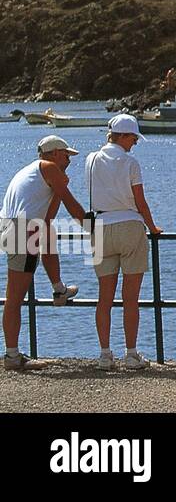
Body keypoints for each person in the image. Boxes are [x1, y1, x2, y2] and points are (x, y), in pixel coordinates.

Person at [2, 136, 87, 370]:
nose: (69, 159)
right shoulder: (49, 168)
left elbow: (48, 218)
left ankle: (59, 289)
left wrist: (60, 189)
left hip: (15, 227)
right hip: (23, 229)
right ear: (53, 153)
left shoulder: (33, 171)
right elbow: (72, 206)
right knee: (15, 298)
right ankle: (11, 357)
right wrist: (94, 228)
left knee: (48, 234)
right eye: (66, 154)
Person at [86, 115, 162, 371]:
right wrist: (152, 227)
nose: (135, 143)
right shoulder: (131, 163)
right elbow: (140, 201)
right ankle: (131, 354)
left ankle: (105, 355)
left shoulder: (91, 159)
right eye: (132, 138)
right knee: (131, 298)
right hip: (129, 226)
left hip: (100, 227)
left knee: (103, 298)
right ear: (121, 136)